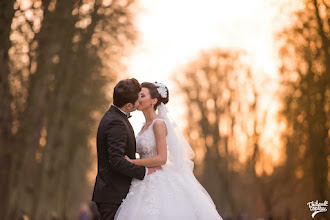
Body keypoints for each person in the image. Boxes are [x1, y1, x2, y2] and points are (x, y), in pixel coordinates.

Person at [114, 82, 223, 220]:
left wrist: (133, 162)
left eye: (142, 95)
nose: (138, 98)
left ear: (153, 101)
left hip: (157, 178)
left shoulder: (158, 124)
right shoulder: (143, 126)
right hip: (142, 178)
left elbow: (162, 158)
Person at [92, 79, 161, 220]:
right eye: (138, 99)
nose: (139, 102)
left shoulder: (114, 117)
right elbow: (117, 161)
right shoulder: (116, 122)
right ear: (128, 105)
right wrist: (146, 171)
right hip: (113, 195)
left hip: (112, 193)